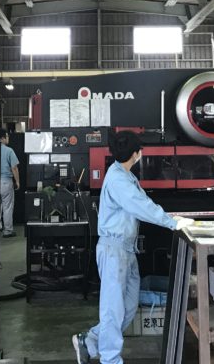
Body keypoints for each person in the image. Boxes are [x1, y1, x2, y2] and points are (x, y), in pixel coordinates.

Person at [73, 131, 193, 364]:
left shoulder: (126, 176)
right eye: (141, 150)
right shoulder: (118, 179)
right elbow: (140, 206)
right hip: (114, 250)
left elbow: (143, 203)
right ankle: (110, 359)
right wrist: (172, 222)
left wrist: (172, 218)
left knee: (127, 308)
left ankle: (90, 339)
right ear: (136, 154)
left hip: (126, 250)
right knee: (113, 310)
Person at [0, 128, 20, 237]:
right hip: (6, 182)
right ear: (2, 138)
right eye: (7, 136)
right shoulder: (9, 151)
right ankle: (8, 230)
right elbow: (14, 168)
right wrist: (17, 181)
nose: (8, 138)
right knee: (7, 207)